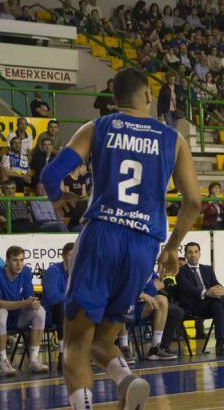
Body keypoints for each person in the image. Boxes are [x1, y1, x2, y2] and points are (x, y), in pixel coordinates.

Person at [39, 68, 201, 410]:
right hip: (144, 245)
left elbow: (50, 174)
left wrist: (59, 197)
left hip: (103, 234)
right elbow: (194, 202)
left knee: (75, 342)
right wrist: (172, 246)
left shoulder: (98, 127)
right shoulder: (174, 139)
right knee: (102, 340)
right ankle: (127, 380)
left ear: (114, 100)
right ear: (147, 96)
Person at [0, 245, 49, 376]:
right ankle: (2, 361)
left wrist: (34, 302)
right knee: (2, 312)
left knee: (40, 311)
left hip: (17, 317)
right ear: (7, 261)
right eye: (15, 260)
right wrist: (24, 303)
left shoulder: (25, 272)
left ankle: (33, 360)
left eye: (21, 260)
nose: (19, 264)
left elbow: (29, 297)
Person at [175, 242, 224, 355]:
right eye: (190, 252)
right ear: (186, 255)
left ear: (199, 254)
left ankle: (220, 342)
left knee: (218, 305)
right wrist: (206, 293)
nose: (193, 255)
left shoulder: (207, 269)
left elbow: (216, 284)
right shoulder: (181, 272)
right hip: (192, 305)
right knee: (219, 303)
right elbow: (188, 289)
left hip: (210, 304)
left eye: (196, 252)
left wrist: (221, 290)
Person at [127, 273, 179, 361]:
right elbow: (121, 288)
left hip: (141, 306)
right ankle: (123, 347)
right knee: (121, 305)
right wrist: (141, 294)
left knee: (162, 300)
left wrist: (146, 293)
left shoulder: (148, 265)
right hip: (124, 304)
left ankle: (155, 348)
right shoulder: (126, 264)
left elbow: (160, 284)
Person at [42, 242, 74, 368]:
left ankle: (90, 351)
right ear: (63, 256)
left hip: (70, 313)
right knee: (61, 306)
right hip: (49, 315)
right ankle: (62, 353)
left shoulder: (78, 273)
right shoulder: (53, 271)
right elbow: (52, 298)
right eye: (71, 255)